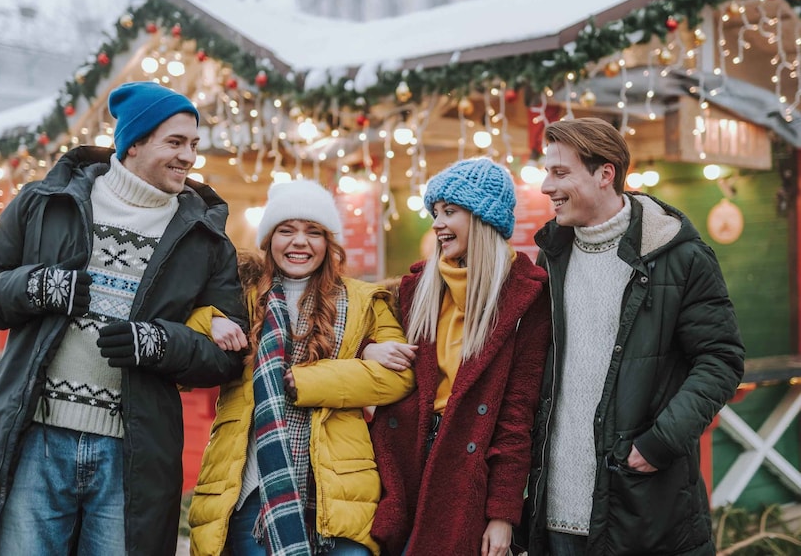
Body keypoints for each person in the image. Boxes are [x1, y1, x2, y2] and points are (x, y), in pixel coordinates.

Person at [0, 81, 249, 556]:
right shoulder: (44, 203)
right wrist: (38, 286)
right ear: (134, 143)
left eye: (193, 144)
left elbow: (226, 357)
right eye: (174, 142)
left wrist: (158, 343)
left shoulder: (206, 239)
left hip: (133, 453)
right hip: (34, 438)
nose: (189, 157)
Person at [524, 117, 745, 555]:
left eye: (560, 172)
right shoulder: (549, 258)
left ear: (605, 174)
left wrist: (659, 442)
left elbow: (721, 358)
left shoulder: (679, 256)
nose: (546, 186)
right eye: (547, 172)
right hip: (553, 511)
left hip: (643, 504)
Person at [187, 179, 417, 556]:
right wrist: (208, 321)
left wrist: (311, 380)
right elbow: (186, 341)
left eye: (313, 232)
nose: (299, 242)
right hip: (253, 486)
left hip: (338, 490)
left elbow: (399, 376)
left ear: (328, 243)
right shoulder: (238, 297)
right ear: (269, 240)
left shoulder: (364, 300)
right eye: (286, 230)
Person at [369, 157, 552, 556]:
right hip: (400, 463)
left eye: (450, 212)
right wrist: (371, 348)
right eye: (435, 213)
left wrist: (502, 514)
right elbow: (363, 339)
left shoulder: (526, 297)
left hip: (465, 474)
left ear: (483, 218)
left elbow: (517, 416)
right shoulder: (417, 288)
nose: (436, 223)